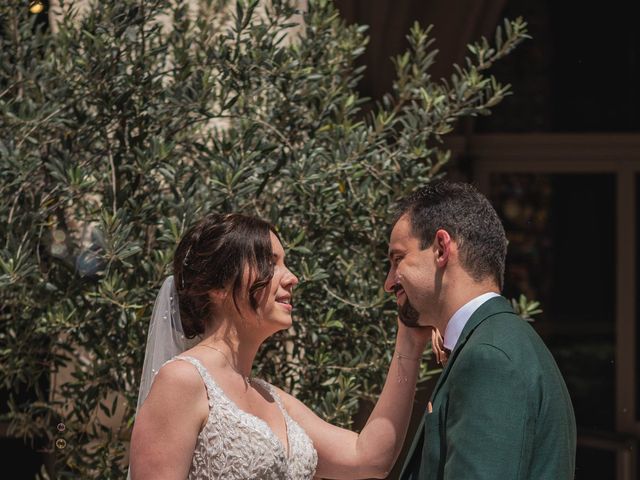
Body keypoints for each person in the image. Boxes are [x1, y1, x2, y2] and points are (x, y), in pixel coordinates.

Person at [129, 212, 435, 480]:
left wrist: (408, 341)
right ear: (218, 287)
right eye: (270, 263)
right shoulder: (182, 381)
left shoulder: (272, 398)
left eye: (284, 263)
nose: (292, 278)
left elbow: (369, 457)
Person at [386, 181, 577, 479]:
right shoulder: (496, 342)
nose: (389, 282)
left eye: (398, 259)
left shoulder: (489, 359)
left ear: (440, 248)